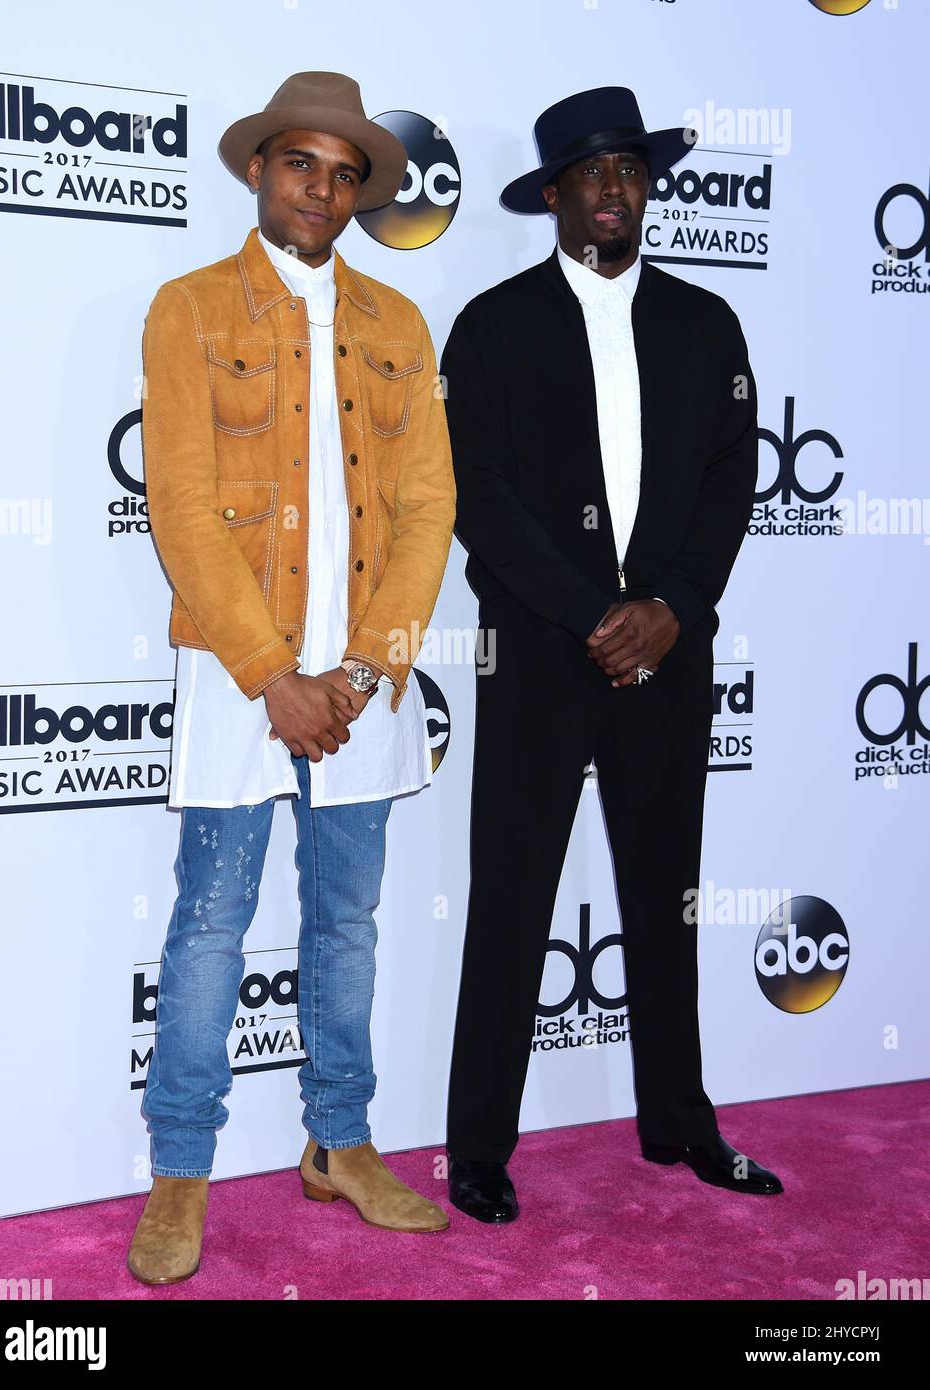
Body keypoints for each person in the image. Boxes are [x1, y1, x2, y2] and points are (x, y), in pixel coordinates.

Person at [130, 71, 456, 1284]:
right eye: (299, 163)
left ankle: (343, 1142)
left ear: (362, 191)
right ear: (260, 172)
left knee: (349, 923)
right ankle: (180, 1167)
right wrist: (275, 673)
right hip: (236, 673)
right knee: (212, 921)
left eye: (343, 170)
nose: (320, 187)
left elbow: (428, 505)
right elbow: (179, 507)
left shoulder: (399, 326)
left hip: (366, 688)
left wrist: (369, 667)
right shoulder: (190, 308)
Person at [441, 86, 782, 1225]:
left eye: (630, 171)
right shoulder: (491, 327)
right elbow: (478, 502)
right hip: (543, 655)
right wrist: (595, 611)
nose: (614, 191)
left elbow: (733, 481)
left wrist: (673, 606)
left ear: (648, 187)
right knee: (511, 903)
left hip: (670, 658)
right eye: (591, 174)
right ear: (552, 195)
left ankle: (680, 1119)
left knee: (666, 899)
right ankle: (480, 1148)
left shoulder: (705, 325)